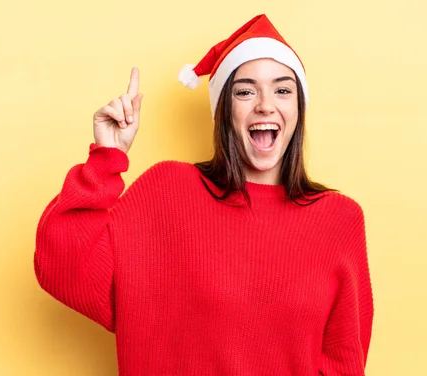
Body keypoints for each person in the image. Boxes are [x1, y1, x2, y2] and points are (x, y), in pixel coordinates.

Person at [34, 14, 374, 375]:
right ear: (223, 110)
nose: (265, 104)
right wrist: (106, 158)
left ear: (298, 108)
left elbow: (343, 364)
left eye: (283, 89)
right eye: (245, 90)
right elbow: (63, 265)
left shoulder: (339, 219)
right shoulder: (166, 192)